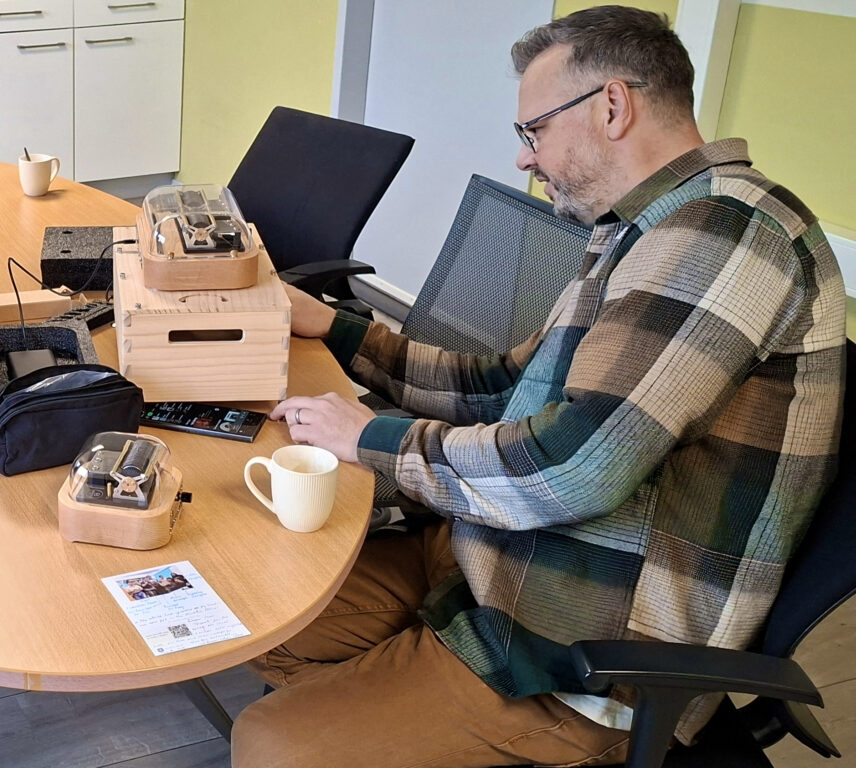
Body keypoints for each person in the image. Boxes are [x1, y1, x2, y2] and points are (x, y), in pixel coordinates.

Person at [231, 6, 847, 767]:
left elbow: (571, 467)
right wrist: (338, 330)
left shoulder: (724, 236)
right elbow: (507, 388)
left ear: (612, 107)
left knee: (271, 744)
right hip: (493, 560)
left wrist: (371, 441)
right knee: (258, 612)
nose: (525, 158)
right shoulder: (639, 230)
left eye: (535, 132)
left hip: (576, 646)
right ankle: (385, 714)